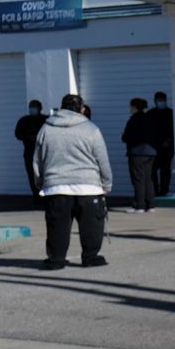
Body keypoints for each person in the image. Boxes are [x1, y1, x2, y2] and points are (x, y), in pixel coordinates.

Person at [34, 94, 113, 270]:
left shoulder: (46, 129)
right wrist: (106, 183)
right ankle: (90, 257)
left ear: (61, 108)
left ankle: (56, 259)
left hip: (56, 187)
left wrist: (40, 182)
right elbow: (102, 160)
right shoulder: (91, 129)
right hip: (88, 187)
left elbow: (37, 160)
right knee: (91, 225)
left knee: (57, 226)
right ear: (82, 109)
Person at [121, 97, 158, 213]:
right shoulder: (151, 118)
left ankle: (139, 205)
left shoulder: (133, 120)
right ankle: (150, 204)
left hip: (137, 153)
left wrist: (124, 137)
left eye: (131, 107)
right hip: (151, 152)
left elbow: (126, 137)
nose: (130, 109)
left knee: (138, 179)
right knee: (148, 178)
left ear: (134, 107)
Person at [14, 99, 47, 199]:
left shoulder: (45, 120)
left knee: (45, 174)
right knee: (32, 175)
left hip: (44, 153)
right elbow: (18, 134)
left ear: (40, 108)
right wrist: (28, 137)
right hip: (30, 153)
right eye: (31, 107)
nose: (32, 109)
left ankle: (46, 196)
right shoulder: (24, 120)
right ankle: (36, 196)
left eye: (34, 107)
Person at [147, 91, 175, 195]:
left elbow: (173, 130)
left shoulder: (171, 113)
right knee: (153, 170)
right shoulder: (150, 114)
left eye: (163, 100)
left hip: (167, 148)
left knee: (165, 170)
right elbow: (149, 131)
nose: (161, 102)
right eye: (159, 100)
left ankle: (164, 190)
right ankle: (154, 190)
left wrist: (169, 141)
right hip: (154, 147)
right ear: (155, 101)